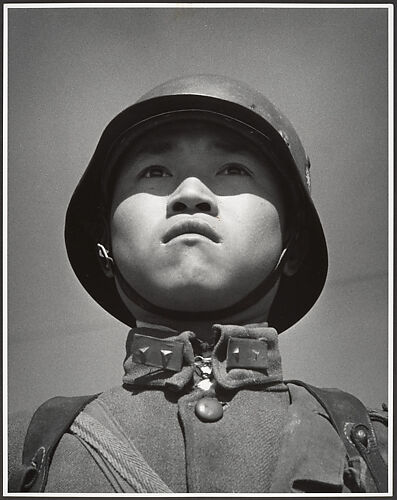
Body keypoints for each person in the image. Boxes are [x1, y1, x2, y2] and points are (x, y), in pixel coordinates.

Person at [8, 75, 388, 493]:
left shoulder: (374, 450)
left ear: (293, 243)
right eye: (155, 171)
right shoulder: (25, 451)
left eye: (233, 169)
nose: (190, 194)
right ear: (105, 246)